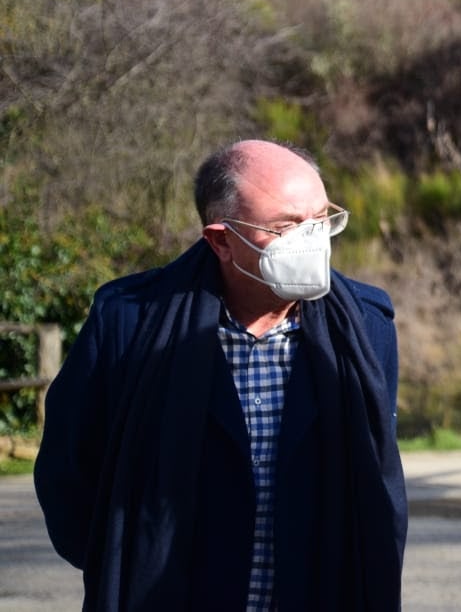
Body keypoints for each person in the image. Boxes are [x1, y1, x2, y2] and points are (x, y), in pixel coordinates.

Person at [34, 139, 407, 611]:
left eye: (320, 219)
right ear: (222, 240)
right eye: (286, 226)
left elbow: (379, 477)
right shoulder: (129, 322)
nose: (311, 239)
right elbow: (69, 471)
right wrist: (123, 560)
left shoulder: (368, 326)